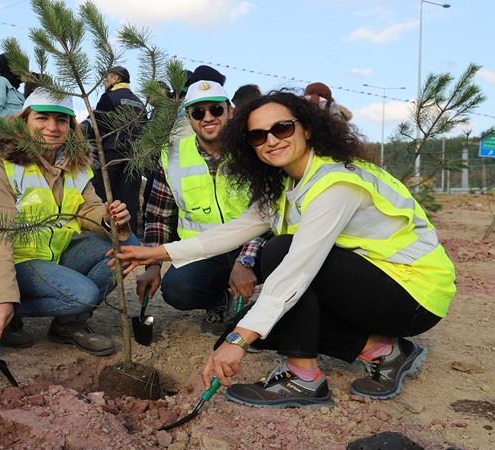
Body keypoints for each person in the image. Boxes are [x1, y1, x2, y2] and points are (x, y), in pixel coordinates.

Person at [114, 90, 455, 408]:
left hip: (412, 294)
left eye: (282, 128)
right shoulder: (290, 179)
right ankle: (382, 350)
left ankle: (303, 377)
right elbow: (240, 228)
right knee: (260, 327)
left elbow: (298, 268)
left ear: (307, 129)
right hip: (371, 282)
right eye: (258, 135)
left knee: (277, 258)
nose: (272, 140)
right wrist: (157, 254)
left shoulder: (336, 183)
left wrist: (237, 342)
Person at [0, 88, 139, 355]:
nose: (52, 127)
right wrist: (0, 296)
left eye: (61, 120)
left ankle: (69, 324)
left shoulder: (74, 165)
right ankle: (8, 310)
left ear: (71, 126)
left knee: (127, 240)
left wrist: (109, 219)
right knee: (83, 294)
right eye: (42, 118)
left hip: (54, 255)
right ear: (24, 120)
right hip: (17, 262)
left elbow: (90, 207)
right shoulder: (1, 166)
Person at [139, 78, 269, 337]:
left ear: (230, 110)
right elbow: (157, 215)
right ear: (188, 117)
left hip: (257, 247)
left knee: (286, 255)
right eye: (198, 112)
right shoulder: (172, 156)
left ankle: (270, 313)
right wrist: (152, 264)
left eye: (216, 109)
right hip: (204, 251)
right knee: (177, 289)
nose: (207, 117)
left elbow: (269, 209)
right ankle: (219, 300)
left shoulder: (254, 149)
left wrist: (246, 260)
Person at [87, 66, 146, 236]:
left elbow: (97, 127)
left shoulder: (109, 97)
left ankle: (109, 239)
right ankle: (131, 240)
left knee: (108, 202)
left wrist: (92, 150)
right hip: (134, 158)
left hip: (110, 155)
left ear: (115, 78)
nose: (104, 82)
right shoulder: (139, 102)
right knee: (129, 204)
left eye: (106, 78)